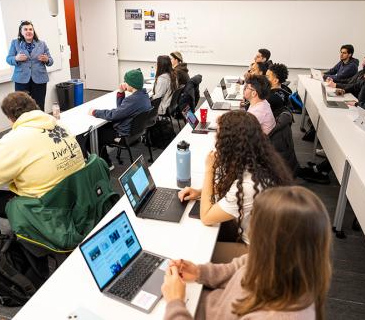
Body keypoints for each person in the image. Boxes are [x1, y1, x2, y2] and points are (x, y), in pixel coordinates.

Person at [162, 186, 332, 320]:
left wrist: (175, 302)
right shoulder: (281, 265)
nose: (249, 231)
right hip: (206, 304)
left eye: (254, 225)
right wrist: (200, 272)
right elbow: (240, 266)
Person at [0, 92, 85, 265]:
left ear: (10, 118)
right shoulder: (60, 126)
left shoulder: (14, 140)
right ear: (35, 106)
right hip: (73, 198)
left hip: (44, 206)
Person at [177, 110, 292, 246]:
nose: (215, 140)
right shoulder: (258, 160)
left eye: (219, 136)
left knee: (196, 249)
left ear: (231, 143)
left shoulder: (248, 185)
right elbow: (229, 186)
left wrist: (209, 169)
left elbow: (206, 217)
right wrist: (200, 192)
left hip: (256, 253)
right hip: (257, 238)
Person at [88, 68, 151, 167]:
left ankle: (107, 165)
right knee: (103, 128)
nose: (124, 83)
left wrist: (95, 112)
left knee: (94, 135)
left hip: (123, 135)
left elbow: (114, 115)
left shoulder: (132, 100)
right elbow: (121, 110)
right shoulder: (144, 96)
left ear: (131, 84)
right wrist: (121, 93)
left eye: (126, 81)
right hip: (134, 133)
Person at [6, 21, 54, 111]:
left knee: (39, 105)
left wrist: (46, 59)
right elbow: (8, 59)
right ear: (21, 32)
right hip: (21, 80)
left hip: (40, 79)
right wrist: (16, 58)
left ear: (33, 31)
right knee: (21, 107)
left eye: (30, 29)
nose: (28, 31)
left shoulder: (41, 44)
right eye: (25, 29)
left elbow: (51, 61)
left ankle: (40, 124)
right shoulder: (15, 43)